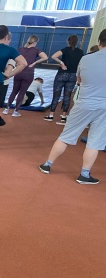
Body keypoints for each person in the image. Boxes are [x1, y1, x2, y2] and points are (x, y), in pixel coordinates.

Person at [38, 29, 106, 185]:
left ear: (99, 41)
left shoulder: (86, 59)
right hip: (103, 106)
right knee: (95, 142)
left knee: (66, 136)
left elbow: (79, 80)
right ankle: (84, 174)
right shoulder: (84, 56)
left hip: (84, 103)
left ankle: (47, 164)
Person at [4, 35, 48, 116]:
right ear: (35, 42)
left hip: (18, 72)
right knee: (22, 92)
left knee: (14, 91)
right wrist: (34, 63)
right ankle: (15, 111)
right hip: (28, 74)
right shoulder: (36, 50)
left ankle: (6, 109)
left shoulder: (20, 49)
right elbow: (45, 57)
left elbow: (14, 59)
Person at [44, 35, 84, 124]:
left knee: (56, 95)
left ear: (68, 41)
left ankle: (51, 115)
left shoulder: (65, 50)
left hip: (62, 74)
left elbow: (53, 56)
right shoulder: (80, 52)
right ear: (77, 42)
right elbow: (80, 64)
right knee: (67, 96)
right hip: (72, 75)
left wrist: (61, 63)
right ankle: (64, 116)